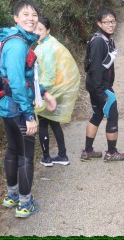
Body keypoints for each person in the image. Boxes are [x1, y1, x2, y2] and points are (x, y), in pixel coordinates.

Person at [0, 0, 57, 218]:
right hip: (18, 110)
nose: (31, 18)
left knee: (13, 150)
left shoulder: (17, 40)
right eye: (25, 14)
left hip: (9, 107)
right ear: (15, 18)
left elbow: (27, 78)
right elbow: (16, 82)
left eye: (34, 14)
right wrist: (29, 115)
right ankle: (24, 203)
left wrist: (44, 93)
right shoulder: (17, 45)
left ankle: (12, 195)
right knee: (25, 156)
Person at [81, 9, 124, 162]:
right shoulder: (99, 41)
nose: (110, 24)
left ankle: (88, 151)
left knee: (97, 115)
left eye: (113, 21)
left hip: (96, 86)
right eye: (106, 22)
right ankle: (111, 152)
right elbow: (95, 68)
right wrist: (101, 91)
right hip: (101, 87)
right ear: (99, 23)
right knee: (112, 116)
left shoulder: (104, 38)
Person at [34, 16, 80, 167]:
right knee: (54, 123)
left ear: (48, 30)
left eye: (40, 29)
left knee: (43, 124)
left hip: (49, 91)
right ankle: (62, 155)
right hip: (57, 90)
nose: (37, 32)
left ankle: (46, 158)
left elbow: (48, 74)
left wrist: (43, 94)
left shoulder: (45, 48)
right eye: (34, 29)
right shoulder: (52, 43)